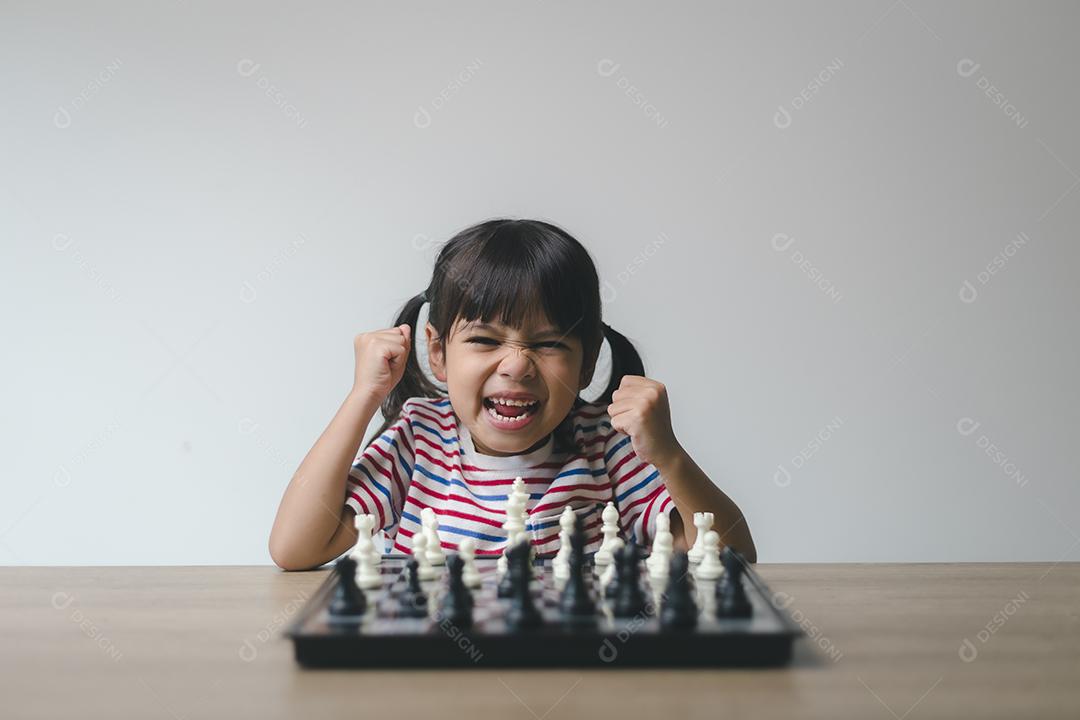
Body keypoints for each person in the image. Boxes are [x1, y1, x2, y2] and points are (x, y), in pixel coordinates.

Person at [269, 218, 756, 570]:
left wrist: (668, 454)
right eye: (485, 340)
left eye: (549, 344)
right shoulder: (420, 440)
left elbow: (733, 557)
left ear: (587, 361)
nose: (517, 365)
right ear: (437, 352)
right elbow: (295, 549)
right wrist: (364, 395)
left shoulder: (605, 446)